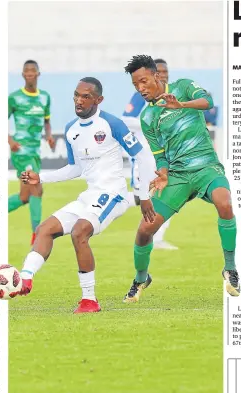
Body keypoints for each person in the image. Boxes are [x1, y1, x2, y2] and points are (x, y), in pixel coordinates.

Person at [18, 77, 154, 314]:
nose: (78, 101)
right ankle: (25, 278)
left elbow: (142, 156)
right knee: (44, 229)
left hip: (113, 194)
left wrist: (143, 195)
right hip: (89, 195)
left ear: (98, 99)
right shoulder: (71, 129)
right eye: (76, 96)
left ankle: (89, 300)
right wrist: (41, 177)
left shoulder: (113, 124)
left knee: (80, 231)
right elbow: (75, 168)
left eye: (85, 96)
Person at [123, 54, 240, 302]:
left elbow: (207, 101)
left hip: (206, 167)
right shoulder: (147, 117)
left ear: (157, 75)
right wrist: (163, 173)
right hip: (177, 176)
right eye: (136, 85)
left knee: (225, 203)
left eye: (144, 81)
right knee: (145, 230)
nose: (141, 88)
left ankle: (230, 269)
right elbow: (160, 155)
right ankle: (141, 278)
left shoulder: (184, 87)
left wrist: (182, 105)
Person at [122, 59, 177, 250]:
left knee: (167, 193)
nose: (163, 75)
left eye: (165, 71)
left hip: (165, 155)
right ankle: (104, 203)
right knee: (141, 197)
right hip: (145, 153)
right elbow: (126, 119)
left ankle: (158, 238)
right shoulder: (141, 96)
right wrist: (150, 124)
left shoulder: (171, 96)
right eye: (159, 71)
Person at [8, 60, 55, 245]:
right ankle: (37, 236)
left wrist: (49, 136)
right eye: (26, 71)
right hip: (21, 152)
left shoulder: (45, 97)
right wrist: (10, 141)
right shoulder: (14, 98)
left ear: (38, 74)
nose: (29, 73)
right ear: (22, 74)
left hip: (35, 152)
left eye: (32, 71)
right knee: (36, 186)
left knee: (25, 196)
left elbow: (47, 121)